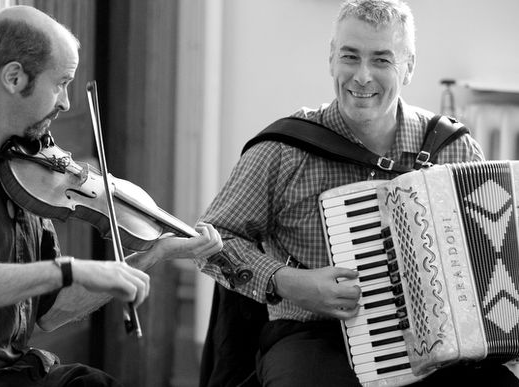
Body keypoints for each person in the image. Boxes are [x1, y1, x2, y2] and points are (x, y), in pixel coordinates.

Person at [195, 0, 519, 386]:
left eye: (382, 60)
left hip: (442, 344)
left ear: (409, 66)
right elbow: (210, 241)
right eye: (350, 57)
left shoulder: (452, 148)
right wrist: (285, 281)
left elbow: (496, 249)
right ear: (332, 59)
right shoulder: (284, 149)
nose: (362, 76)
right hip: (313, 336)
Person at [0, 5, 223, 387]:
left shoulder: (25, 169)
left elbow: (50, 312)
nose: (67, 103)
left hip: (18, 374)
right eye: (60, 83)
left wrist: (152, 254)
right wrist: (69, 268)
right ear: (13, 77)